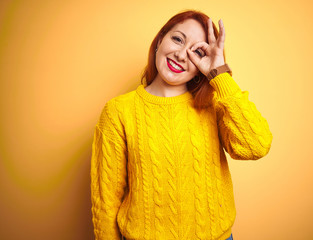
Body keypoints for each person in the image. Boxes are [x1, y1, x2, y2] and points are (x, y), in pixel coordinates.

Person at [90, 9, 273, 240]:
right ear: (159, 41)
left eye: (196, 51)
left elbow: (257, 145)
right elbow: (105, 201)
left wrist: (220, 74)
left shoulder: (215, 105)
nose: (181, 55)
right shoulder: (118, 112)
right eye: (178, 39)